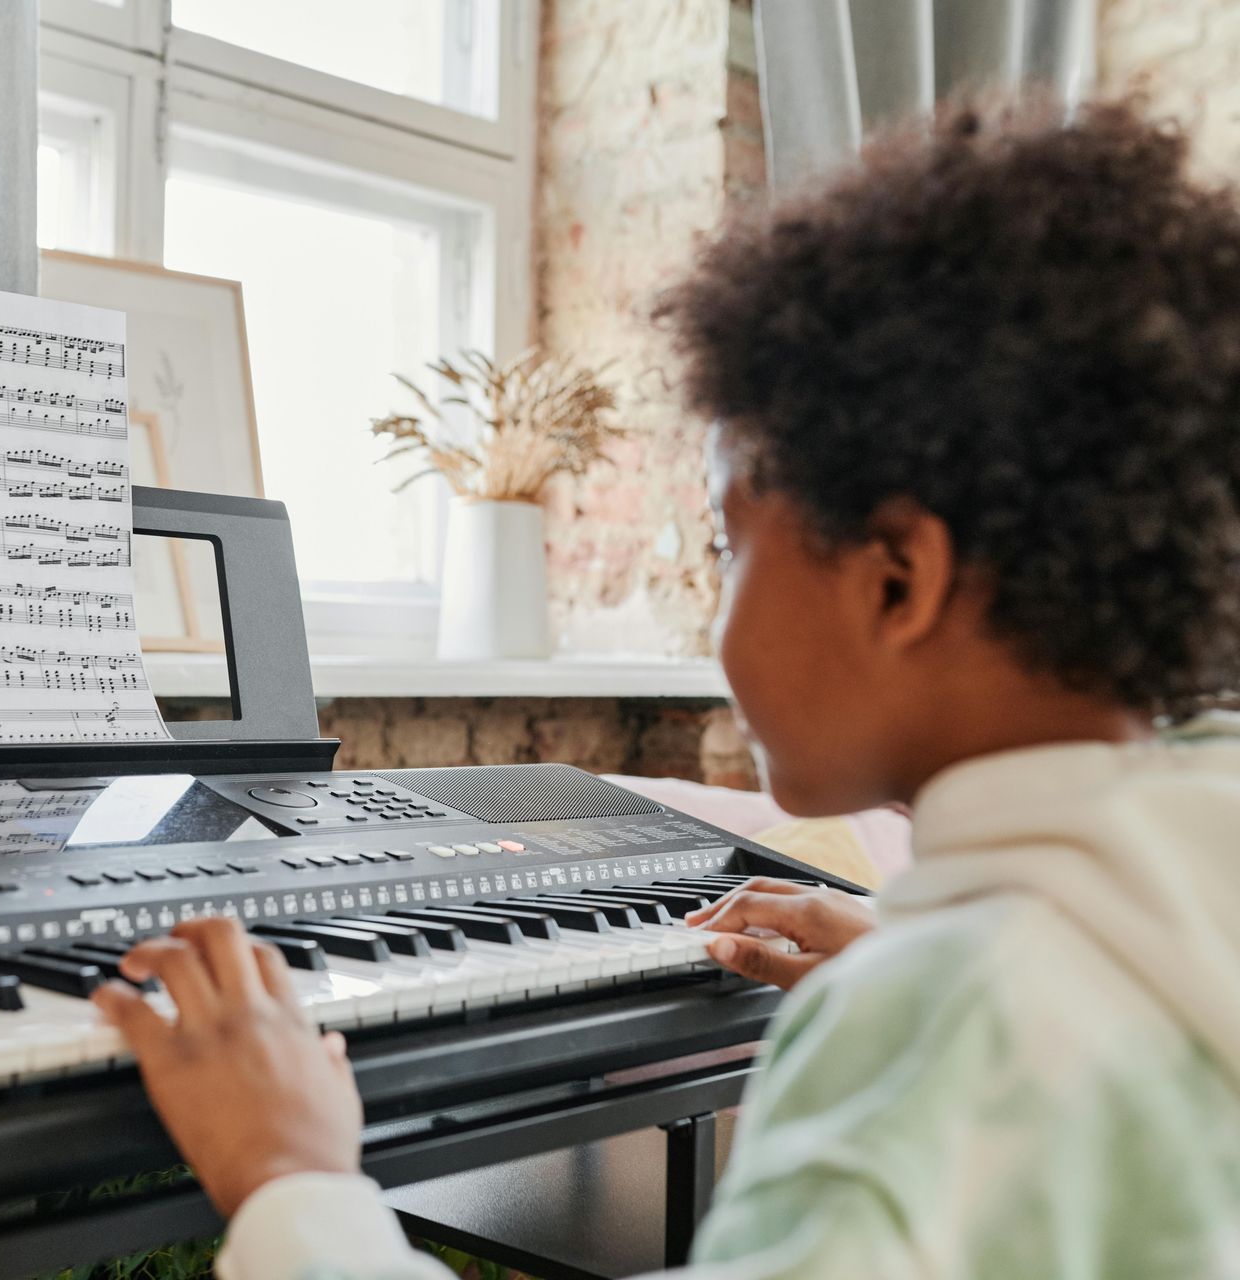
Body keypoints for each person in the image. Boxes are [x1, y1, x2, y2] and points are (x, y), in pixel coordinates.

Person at [90, 96, 1240, 1279]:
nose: (717, 604)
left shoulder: (936, 1029)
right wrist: (920, 943)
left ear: (898, 580)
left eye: (730, 544)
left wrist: (295, 1181)